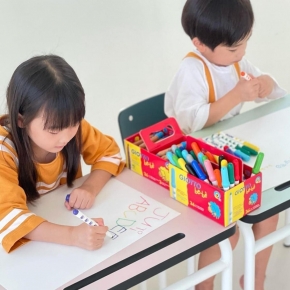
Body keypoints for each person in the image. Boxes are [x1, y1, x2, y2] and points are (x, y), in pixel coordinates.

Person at [164, 1, 286, 290]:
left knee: (269, 215)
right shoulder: (191, 70)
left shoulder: (235, 62)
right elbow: (192, 122)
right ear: (200, 44)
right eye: (233, 49)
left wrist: (267, 84)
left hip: (226, 153)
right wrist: (235, 96)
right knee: (227, 233)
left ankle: (255, 278)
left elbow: (274, 95)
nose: (241, 54)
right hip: (193, 163)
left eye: (245, 43)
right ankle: (202, 286)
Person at [0, 55, 125, 253]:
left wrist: (90, 188)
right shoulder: (4, 151)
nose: (65, 137)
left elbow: (109, 153)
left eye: (74, 123)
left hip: (61, 227)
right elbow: (9, 215)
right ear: (21, 120)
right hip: (34, 248)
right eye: (53, 130)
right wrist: (72, 236)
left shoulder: (68, 127)